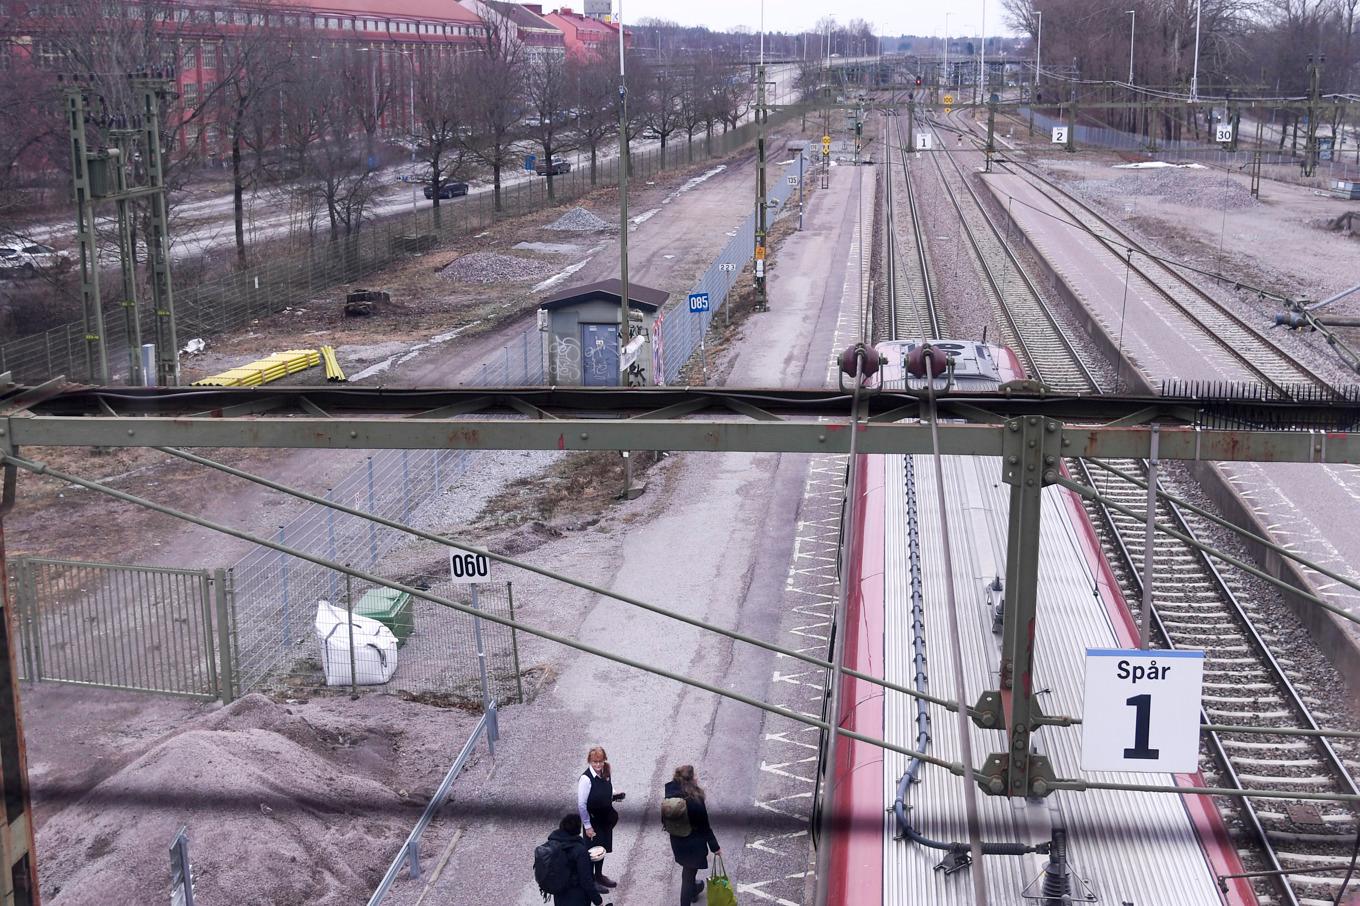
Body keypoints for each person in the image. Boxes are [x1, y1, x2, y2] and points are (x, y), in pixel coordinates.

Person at [664, 764, 721, 906]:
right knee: (688, 876)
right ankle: (687, 900)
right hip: (693, 845)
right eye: (695, 776)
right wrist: (715, 847)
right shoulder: (695, 801)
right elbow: (705, 827)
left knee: (688, 871)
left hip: (677, 842)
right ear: (690, 780)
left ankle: (694, 891)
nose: (697, 778)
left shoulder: (670, 794)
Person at [577, 746, 623, 891]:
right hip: (593, 821)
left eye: (600, 761)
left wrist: (615, 793)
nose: (598, 765)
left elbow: (608, 787)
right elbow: (582, 804)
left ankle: (599, 875)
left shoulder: (605, 771)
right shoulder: (586, 779)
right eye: (595, 762)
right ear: (590, 761)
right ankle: (591, 882)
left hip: (606, 819)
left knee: (602, 849)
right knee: (592, 852)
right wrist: (587, 826)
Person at [545, 814, 604, 906]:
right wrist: (598, 901)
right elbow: (586, 881)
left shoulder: (553, 844)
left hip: (560, 897)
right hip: (578, 898)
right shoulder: (580, 850)